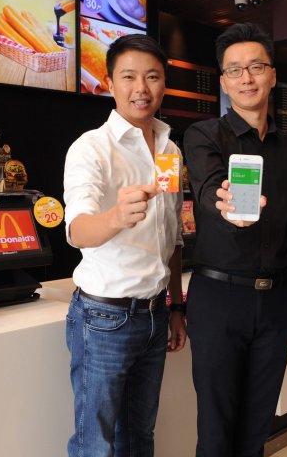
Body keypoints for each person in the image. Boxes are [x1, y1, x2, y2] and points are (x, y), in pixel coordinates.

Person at [183, 22, 287, 457]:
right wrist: (227, 205)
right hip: (219, 298)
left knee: (257, 430)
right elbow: (208, 188)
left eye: (256, 67)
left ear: (272, 75)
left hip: (276, 303)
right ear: (223, 81)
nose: (246, 78)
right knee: (216, 430)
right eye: (235, 70)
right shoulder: (204, 135)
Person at [63, 34, 186, 457]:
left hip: (155, 314)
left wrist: (176, 307)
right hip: (104, 317)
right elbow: (78, 230)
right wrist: (117, 216)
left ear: (163, 83)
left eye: (152, 76)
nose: (141, 88)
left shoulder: (170, 150)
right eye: (129, 76)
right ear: (109, 83)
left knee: (139, 437)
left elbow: (172, 236)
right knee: (95, 444)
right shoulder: (91, 148)